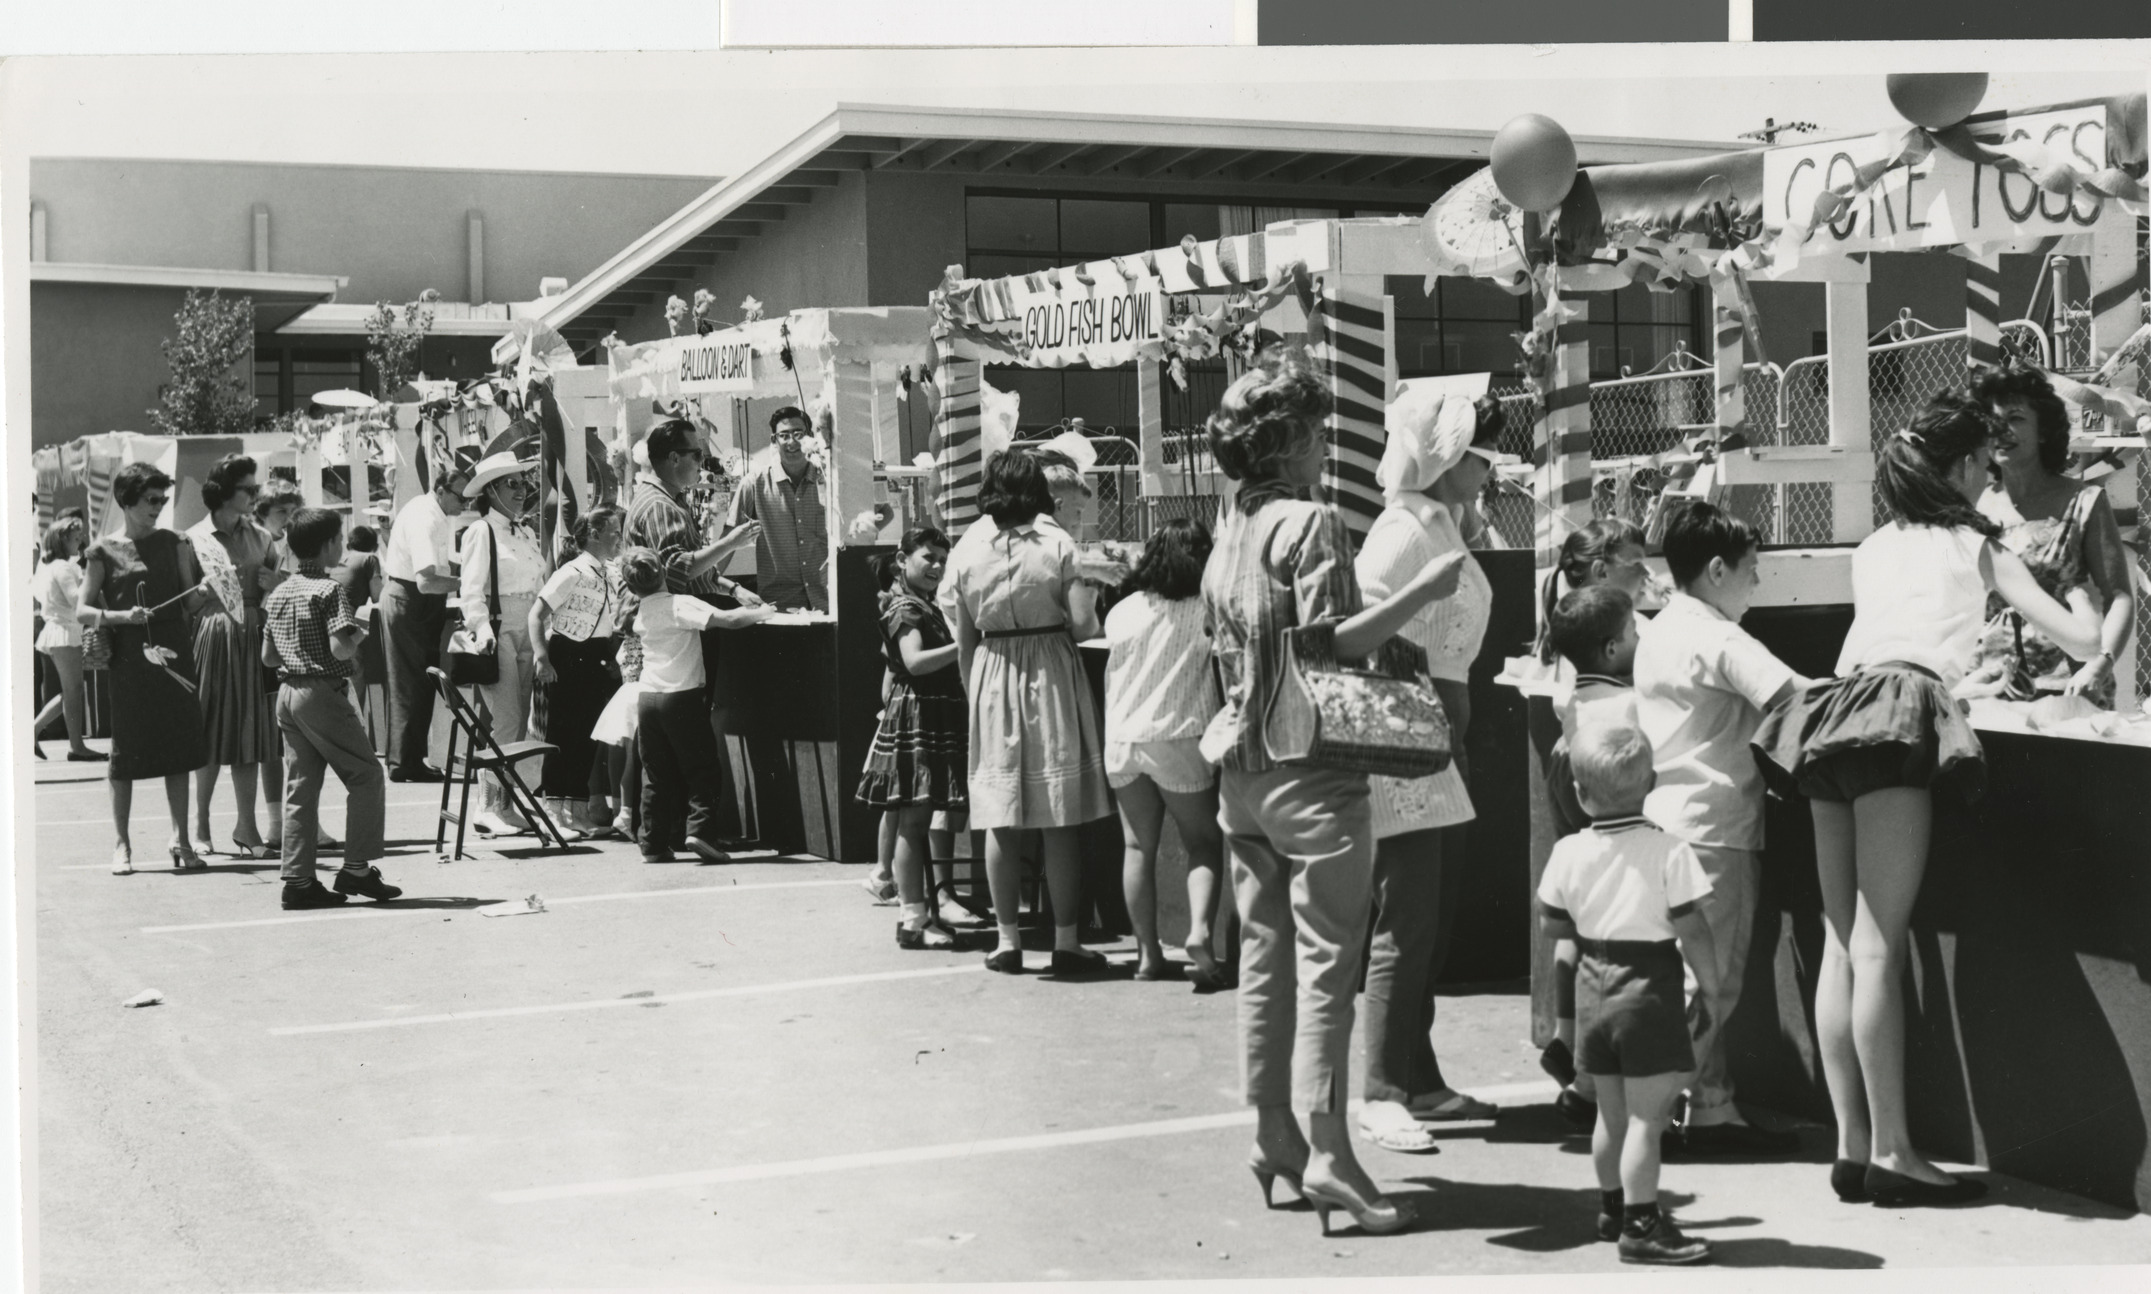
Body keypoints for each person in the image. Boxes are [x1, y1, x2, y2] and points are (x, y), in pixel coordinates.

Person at [1754, 393, 2099, 1207]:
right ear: (1955, 467)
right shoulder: (1975, 541)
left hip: (1831, 715)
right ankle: (1898, 1154)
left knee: (1842, 942)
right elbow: (2077, 638)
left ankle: (1852, 1145)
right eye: (1982, 464)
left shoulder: (1874, 545)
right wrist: (2087, 596)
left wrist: (1954, 678)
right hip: (1892, 721)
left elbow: (1883, 646)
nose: (1990, 478)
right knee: (1880, 943)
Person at [1199, 347, 1469, 1238]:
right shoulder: (1308, 524)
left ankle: (1272, 1134)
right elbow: (1332, 649)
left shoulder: (1226, 533)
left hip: (1240, 775)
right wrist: (1424, 591)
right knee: (1328, 970)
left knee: (1265, 963)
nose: (1325, 448)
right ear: (1284, 443)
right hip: (1314, 771)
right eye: (1315, 433)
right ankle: (1328, 1154)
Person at [1633, 501, 1810, 1156]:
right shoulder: (1720, 637)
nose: (1756, 584)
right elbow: (1796, 696)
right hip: (1714, 833)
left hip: (1663, 824)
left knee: (1686, 978)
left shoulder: (1660, 628)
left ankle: (1710, 1111)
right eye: (1751, 570)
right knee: (1710, 985)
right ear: (1716, 570)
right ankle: (1636, 1118)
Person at [1353, 386, 1505, 1154]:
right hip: (1402, 739)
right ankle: (1380, 1088)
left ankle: (1416, 1075)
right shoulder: (1402, 532)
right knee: (1405, 925)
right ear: (1443, 452)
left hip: (1437, 740)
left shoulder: (1439, 521)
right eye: (1478, 450)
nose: (1488, 464)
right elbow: (1365, 632)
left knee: (1430, 922)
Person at [1537, 724, 1722, 1265]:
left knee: (1609, 1117)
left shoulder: (1569, 850)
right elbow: (1693, 930)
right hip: (1649, 994)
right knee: (1648, 1119)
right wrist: (1709, 987)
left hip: (1594, 989)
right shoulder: (1669, 849)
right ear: (1653, 783)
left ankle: (1611, 1210)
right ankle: (1642, 1227)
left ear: (1579, 792)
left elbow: (1552, 926)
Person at [947, 448, 1119, 978]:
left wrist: (975, 692)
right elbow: (1086, 626)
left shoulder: (967, 552)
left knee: (1000, 816)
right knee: (1059, 814)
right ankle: (1066, 941)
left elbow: (965, 638)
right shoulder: (1058, 544)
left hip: (992, 673)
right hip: (1048, 670)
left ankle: (1006, 940)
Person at [1102, 517, 1229, 985]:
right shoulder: (1208, 609)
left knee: (1137, 847)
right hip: (1179, 734)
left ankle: (1147, 955)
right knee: (1202, 844)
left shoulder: (1126, 609)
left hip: (1121, 739)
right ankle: (1199, 937)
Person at [1964, 363, 2135, 706]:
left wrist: (2101, 664)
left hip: (2070, 687)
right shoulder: (1973, 506)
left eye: (2015, 418)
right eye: (1992, 421)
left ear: (2043, 430)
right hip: (1988, 686)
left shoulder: (2084, 501)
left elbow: (2119, 596)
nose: (2001, 430)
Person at [1539, 583, 1643, 1124]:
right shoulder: (1628, 702)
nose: (1641, 636)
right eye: (1633, 631)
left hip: (1571, 781)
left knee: (1580, 926)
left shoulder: (1572, 696)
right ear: (1609, 649)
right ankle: (1588, 1073)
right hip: (1614, 817)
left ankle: (1565, 1036)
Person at [262, 508, 399, 912]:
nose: (342, 546)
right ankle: (356, 868)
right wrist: (357, 634)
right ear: (326, 546)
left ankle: (298, 879)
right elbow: (340, 647)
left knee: (301, 788)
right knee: (366, 774)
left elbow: (269, 657)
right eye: (338, 539)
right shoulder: (329, 590)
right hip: (321, 692)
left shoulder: (281, 591)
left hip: (287, 693)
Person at [80, 462, 212, 874]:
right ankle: (122, 844)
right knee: (125, 752)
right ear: (126, 501)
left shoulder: (176, 542)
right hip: (130, 660)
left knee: (178, 747)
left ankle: (181, 839)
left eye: (162, 499)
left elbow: (188, 601)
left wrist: (206, 592)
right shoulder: (102, 551)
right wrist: (121, 617)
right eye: (151, 500)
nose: (159, 506)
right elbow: (83, 610)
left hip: (175, 654)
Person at [619, 546, 773, 862]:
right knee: (702, 768)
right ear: (663, 572)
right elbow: (729, 620)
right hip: (682, 696)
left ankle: (653, 842)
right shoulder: (680, 604)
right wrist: (763, 612)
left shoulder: (641, 612)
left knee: (656, 774)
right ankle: (700, 832)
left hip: (647, 699)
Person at [856, 527, 968, 950]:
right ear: (903, 560)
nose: (937, 566)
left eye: (943, 558)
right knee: (914, 821)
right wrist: (965, 643)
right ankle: (912, 920)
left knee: (915, 822)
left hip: (929, 713)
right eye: (928, 557)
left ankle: (919, 917)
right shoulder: (906, 606)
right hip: (920, 713)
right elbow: (915, 662)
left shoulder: (919, 602)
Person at [186, 454, 283, 859]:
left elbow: (279, 586)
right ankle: (200, 822)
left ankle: (247, 824)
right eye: (248, 488)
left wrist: (275, 582)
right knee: (210, 730)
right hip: (215, 633)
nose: (255, 495)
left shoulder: (261, 537)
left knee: (252, 732)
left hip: (257, 634)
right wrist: (202, 594)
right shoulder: (193, 538)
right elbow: (185, 603)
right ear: (224, 492)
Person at [455, 452, 549, 837]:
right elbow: (471, 589)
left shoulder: (523, 531)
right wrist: (482, 629)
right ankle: (488, 805)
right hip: (501, 627)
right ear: (490, 491)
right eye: (511, 483)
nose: (521, 489)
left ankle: (506, 804)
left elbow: (538, 583)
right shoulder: (482, 531)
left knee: (526, 718)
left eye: (524, 482)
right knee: (507, 716)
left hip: (529, 625)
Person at [530, 505, 626, 837]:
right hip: (567, 656)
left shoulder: (611, 572)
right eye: (614, 533)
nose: (619, 539)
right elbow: (536, 614)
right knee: (562, 734)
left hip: (596, 656)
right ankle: (554, 813)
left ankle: (578, 811)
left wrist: (613, 653)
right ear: (595, 535)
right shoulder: (571, 571)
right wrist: (542, 657)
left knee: (587, 736)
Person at [380, 454, 473, 783]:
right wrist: (470, 582)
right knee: (413, 683)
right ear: (442, 491)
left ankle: (406, 758)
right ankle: (407, 762)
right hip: (411, 601)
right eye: (461, 498)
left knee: (415, 683)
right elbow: (426, 580)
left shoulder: (430, 510)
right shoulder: (427, 518)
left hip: (414, 601)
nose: (464, 504)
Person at [729, 405, 829, 611]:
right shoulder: (754, 483)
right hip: (780, 605)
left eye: (798, 434)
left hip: (830, 600)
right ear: (774, 440)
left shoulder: (829, 479)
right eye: (784, 435)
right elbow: (728, 539)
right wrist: (708, 584)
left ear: (811, 437)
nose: (792, 442)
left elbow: (883, 513)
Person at [30, 516, 102, 762]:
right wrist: (92, 576)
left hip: (61, 630)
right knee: (72, 691)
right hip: (64, 631)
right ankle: (76, 746)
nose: (81, 540)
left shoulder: (58, 565)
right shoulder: (63, 566)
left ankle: (39, 731)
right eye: (76, 537)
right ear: (63, 540)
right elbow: (76, 599)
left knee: (70, 691)